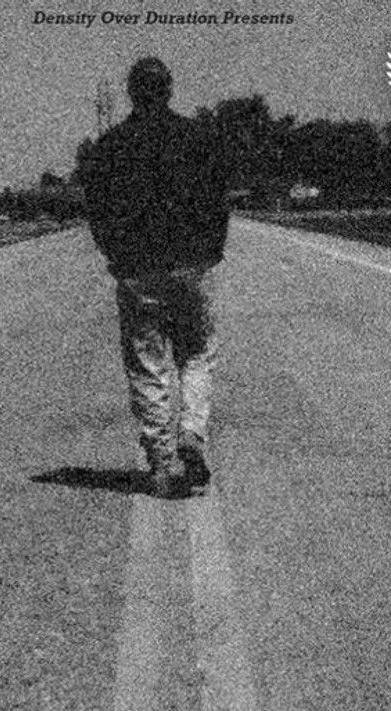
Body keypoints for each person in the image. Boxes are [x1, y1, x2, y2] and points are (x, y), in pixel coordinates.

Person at [79, 57, 229, 499]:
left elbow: (97, 212)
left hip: (137, 270)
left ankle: (162, 463)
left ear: (131, 93)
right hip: (190, 266)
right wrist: (211, 251)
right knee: (197, 352)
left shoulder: (110, 145)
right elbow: (218, 201)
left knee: (148, 366)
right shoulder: (197, 137)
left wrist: (115, 256)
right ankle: (192, 433)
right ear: (169, 89)